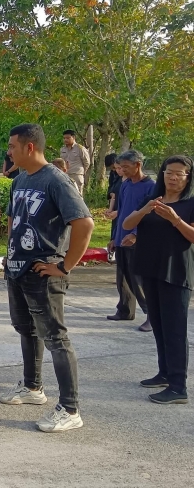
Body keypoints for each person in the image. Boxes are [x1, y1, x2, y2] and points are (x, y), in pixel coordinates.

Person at [0, 124, 93, 433]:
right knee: (27, 330)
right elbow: (14, 218)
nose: (8, 152)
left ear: (29, 147)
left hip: (43, 274)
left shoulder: (56, 180)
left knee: (56, 339)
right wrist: (9, 255)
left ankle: (70, 408)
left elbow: (84, 223)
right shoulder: (21, 179)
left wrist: (64, 266)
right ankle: (32, 387)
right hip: (18, 269)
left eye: (12, 147)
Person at [123, 155, 194, 405]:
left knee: (175, 330)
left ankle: (178, 387)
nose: (173, 177)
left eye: (179, 173)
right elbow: (127, 223)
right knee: (160, 326)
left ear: (188, 178)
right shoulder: (153, 199)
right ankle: (164, 373)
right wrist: (145, 210)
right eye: (169, 172)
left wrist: (175, 220)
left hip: (176, 272)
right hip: (150, 268)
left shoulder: (190, 203)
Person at [109, 150, 154, 331]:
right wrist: (114, 237)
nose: (123, 170)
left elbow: (150, 216)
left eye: (126, 167)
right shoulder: (125, 184)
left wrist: (135, 234)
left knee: (138, 280)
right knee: (123, 278)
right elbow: (121, 212)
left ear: (138, 165)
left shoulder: (151, 187)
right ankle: (125, 310)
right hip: (121, 237)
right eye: (121, 167)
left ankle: (152, 315)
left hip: (137, 240)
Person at [60, 130, 90, 195]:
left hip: (76, 175)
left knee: (78, 195)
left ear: (73, 137)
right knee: (66, 194)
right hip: (65, 175)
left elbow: (87, 162)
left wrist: (81, 172)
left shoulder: (80, 148)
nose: (65, 140)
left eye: (68, 138)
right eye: (64, 138)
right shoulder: (62, 149)